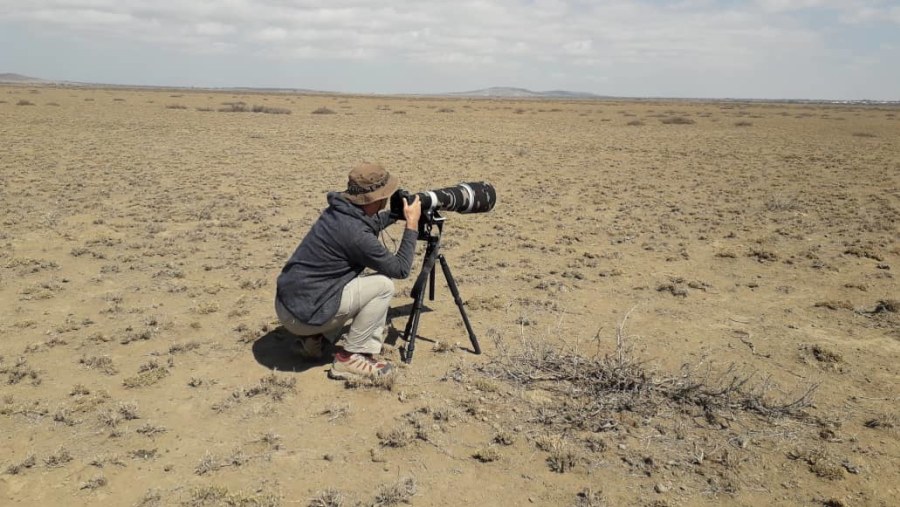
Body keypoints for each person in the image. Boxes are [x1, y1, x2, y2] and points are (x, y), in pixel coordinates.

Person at [275, 163, 421, 379]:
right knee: (383, 286)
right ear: (375, 198)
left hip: (289, 305)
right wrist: (412, 224)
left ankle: (315, 340)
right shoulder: (356, 234)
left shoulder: (339, 211)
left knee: (348, 283)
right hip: (305, 315)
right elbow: (400, 269)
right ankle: (350, 358)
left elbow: (366, 224)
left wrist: (393, 215)